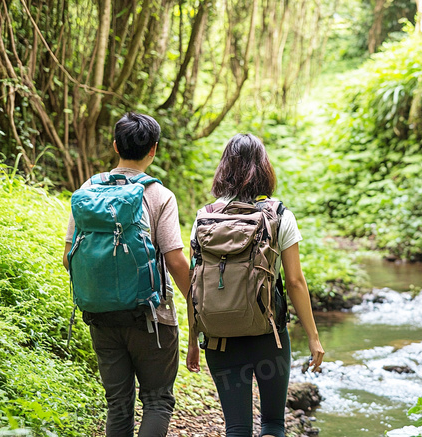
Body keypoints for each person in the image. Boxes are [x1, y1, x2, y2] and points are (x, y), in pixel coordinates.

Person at [186, 133, 325, 437]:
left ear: (224, 168)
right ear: (264, 168)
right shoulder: (278, 215)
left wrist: (192, 341)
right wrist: (314, 338)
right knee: (273, 424)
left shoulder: (204, 217)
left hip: (220, 339)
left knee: (236, 428)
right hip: (269, 338)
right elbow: (296, 281)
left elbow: (196, 282)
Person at [62, 112, 191, 437]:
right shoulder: (160, 196)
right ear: (154, 149)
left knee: (118, 404)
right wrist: (198, 302)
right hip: (152, 318)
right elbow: (175, 261)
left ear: (116, 145)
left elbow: (68, 258)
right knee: (157, 401)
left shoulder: (88, 191)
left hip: (101, 316)